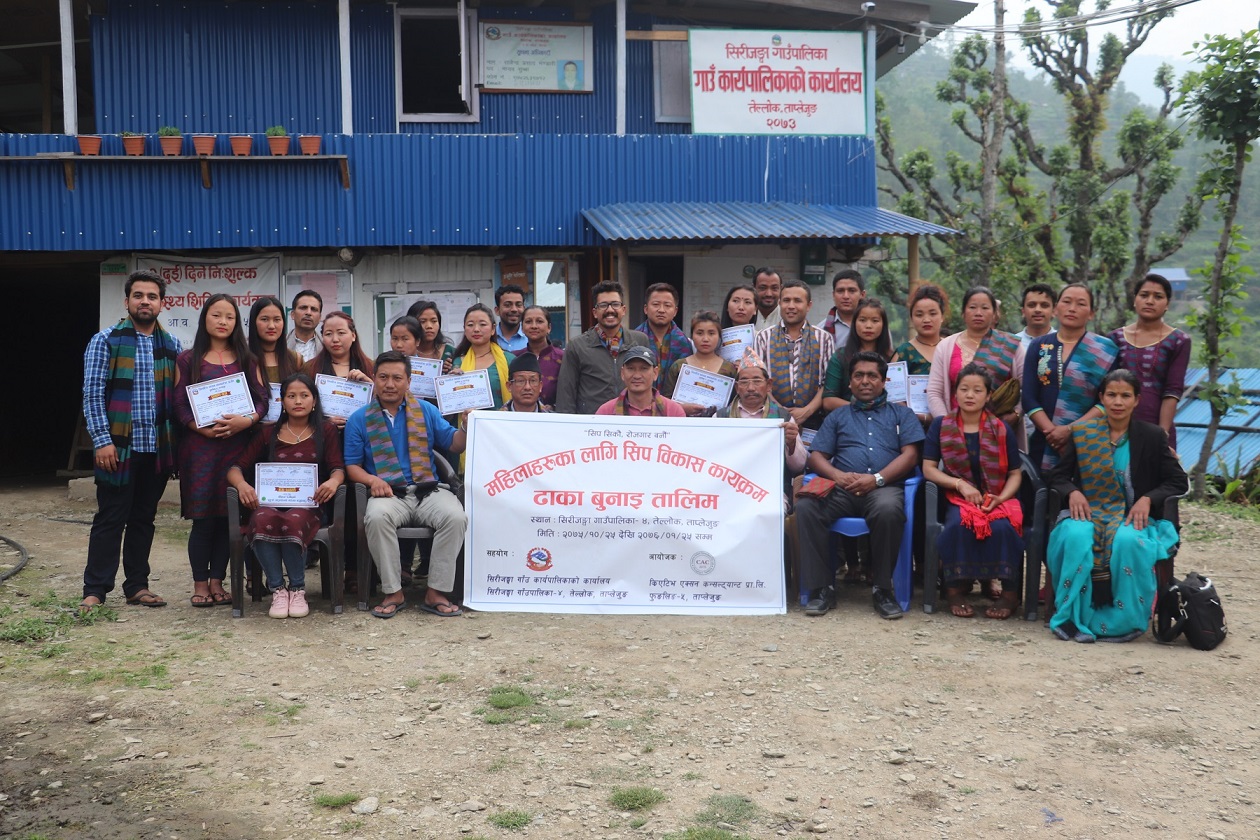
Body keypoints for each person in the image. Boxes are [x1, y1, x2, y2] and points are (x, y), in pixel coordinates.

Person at [1045, 369, 1187, 642]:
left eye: (1125, 396)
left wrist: (1148, 499)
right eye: (1111, 395)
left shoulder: (1152, 436)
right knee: (1076, 536)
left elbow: (1177, 481)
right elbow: (1057, 476)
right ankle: (1071, 617)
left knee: (1127, 541)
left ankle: (1123, 622)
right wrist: (1072, 492)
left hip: (1131, 517)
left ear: (1137, 400)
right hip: (1088, 513)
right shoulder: (1083, 433)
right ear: (1101, 398)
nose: (1118, 402)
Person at [79, 270, 182, 612]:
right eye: (138, 296)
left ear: (162, 304)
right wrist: (102, 440)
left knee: (143, 519)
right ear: (127, 302)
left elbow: (179, 399)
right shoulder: (105, 341)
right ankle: (95, 590)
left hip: (156, 449)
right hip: (118, 448)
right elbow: (92, 395)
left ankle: (137, 586)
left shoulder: (172, 346)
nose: (145, 302)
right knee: (110, 518)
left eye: (152, 296)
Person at [796, 352, 925, 619]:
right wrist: (836, 476)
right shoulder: (838, 416)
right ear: (850, 382)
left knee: (889, 510)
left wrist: (877, 479)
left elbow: (911, 456)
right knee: (807, 507)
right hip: (841, 489)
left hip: (883, 488)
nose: (865, 381)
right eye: (858, 375)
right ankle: (822, 588)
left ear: (884, 381)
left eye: (872, 376)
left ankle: (882, 589)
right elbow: (816, 456)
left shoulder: (902, 414)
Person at [345, 352, 468, 619]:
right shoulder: (359, 418)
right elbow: (352, 466)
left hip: (427, 491)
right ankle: (393, 592)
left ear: (409, 381)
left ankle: (436, 591)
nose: (390, 384)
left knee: (456, 517)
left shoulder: (426, 410)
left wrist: (466, 427)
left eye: (397, 378)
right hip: (388, 493)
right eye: (383, 377)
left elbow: (454, 444)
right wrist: (373, 480)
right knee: (376, 518)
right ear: (374, 379)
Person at [174, 294, 269, 607]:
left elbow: (262, 401)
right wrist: (199, 427)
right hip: (199, 450)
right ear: (205, 318)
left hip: (236, 448)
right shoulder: (188, 359)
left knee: (229, 517)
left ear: (236, 322)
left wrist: (247, 421)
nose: (223, 322)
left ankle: (218, 581)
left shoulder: (247, 359)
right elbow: (178, 404)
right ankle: (200, 584)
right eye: (216, 315)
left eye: (229, 316)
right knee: (203, 519)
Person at [227, 373, 344, 619]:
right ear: (282, 401)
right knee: (260, 519)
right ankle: (278, 589)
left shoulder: (326, 430)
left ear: (314, 400)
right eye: (291, 396)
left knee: (292, 520)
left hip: (309, 505)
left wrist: (333, 481)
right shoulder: (268, 432)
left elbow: (337, 468)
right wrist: (242, 486)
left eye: (304, 395)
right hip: (271, 504)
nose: (298, 401)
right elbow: (236, 468)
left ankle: (297, 589)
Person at [922, 363, 1025, 619]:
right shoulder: (941, 425)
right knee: (958, 525)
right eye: (964, 389)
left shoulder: (1000, 428)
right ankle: (954, 590)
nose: (970, 395)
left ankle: (1010, 595)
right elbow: (928, 468)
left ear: (988, 395)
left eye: (977, 390)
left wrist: (1001, 498)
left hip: (996, 496)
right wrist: (959, 484)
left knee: (1004, 528)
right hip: (957, 498)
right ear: (955, 392)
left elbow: (1015, 473)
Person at [1022, 283, 1119, 471]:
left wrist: (1069, 431)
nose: (1072, 308)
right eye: (1066, 302)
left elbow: (1106, 401)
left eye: (1081, 304)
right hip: (1043, 440)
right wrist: (1052, 434)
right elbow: (1028, 398)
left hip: (1087, 442)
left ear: (1091, 313)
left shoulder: (1105, 350)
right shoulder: (1039, 346)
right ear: (1056, 308)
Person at [1108, 273, 1191, 451]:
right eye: (1144, 295)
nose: (1150, 301)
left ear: (1167, 304)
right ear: (1135, 300)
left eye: (1158, 297)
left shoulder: (1179, 341)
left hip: (1156, 426)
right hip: (1116, 427)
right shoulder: (1115, 338)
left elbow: (1172, 390)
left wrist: (1162, 434)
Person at [716, 349, 807, 509]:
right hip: (727, 489)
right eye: (744, 382)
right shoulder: (720, 418)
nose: (751, 388)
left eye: (757, 381)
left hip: (770, 490)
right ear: (737, 387)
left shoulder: (783, 418)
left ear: (768, 385)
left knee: (772, 509)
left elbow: (799, 467)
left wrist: (791, 443)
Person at [927, 287, 1025, 420]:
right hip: (955, 426)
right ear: (963, 313)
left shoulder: (1010, 344)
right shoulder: (945, 346)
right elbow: (934, 392)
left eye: (985, 308)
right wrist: (946, 423)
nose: (978, 313)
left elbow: (1028, 389)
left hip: (1000, 426)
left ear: (994, 313)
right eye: (972, 307)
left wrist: (1015, 414)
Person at [555, 281, 650, 414]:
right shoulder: (577, 346)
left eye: (615, 304)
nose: (610, 310)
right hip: (593, 421)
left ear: (623, 310)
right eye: (603, 305)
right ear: (595, 312)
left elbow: (649, 384)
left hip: (631, 419)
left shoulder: (639, 341)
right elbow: (566, 394)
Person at [754, 280, 835, 429]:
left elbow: (828, 383)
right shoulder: (763, 337)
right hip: (772, 418)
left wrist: (806, 411)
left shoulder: (824, 338)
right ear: (779, 303)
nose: (791, 306)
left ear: (808, 305)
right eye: (786, 300)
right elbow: (759, 380)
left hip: (813, 419)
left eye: (797, 301)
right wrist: (780, 411)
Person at [822, 297, 894, 410]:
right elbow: (828, 400)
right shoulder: (840, 356)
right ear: (854, 323)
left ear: (883, 325)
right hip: (848, 417)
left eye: (875, 321)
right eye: (862, 320)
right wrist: (861, 408)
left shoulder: (893, 357)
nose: (868, 326)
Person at [304, 310, 374, 424]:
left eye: (341, 333)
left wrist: (371, 386)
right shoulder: (309, 368)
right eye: (328, 334)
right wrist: (324, 423)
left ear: (353, 336)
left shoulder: (371, 367)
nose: (335, 339)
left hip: (361, 432)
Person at [663, 311, 737, 416]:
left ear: (719, 336)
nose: (705, 339)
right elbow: (665, 402)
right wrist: (681, 408)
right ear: (692, 336)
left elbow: (735, 405)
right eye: (699, 333)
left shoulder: (729, 369)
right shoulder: (678, 366)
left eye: (711, 333)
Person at [452, 303, 514, 409]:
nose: (476, 329)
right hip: (468, 419)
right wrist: (452, 383)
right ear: (465, 330)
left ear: (493, 329)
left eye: (482, 324)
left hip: (502, 419)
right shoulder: (458, 363)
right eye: (470, 325)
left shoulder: (509, 360)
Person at [595, 346, 687, 417]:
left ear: (655, 373)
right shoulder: (605, 412)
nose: (637, 376)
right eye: (631, 369)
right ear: (622, 373)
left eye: (644, 369)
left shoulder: (674, 412)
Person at [634, 283, 693, 391]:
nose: (661, 310)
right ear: (646, 309)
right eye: (656, 304)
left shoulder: (683, 342)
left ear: (675, 311)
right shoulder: (634, 339)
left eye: (667, 305)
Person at [248, 296, 302, 394]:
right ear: (253, 322)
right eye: (264, 319)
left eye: (277, 320)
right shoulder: (242, 359)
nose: (271, 326)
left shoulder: (296, 359)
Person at [893, 285, 949, 376]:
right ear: (911, 318)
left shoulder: (952, 348)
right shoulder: (904, 352)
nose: (926, 320)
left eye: (932, 314)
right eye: (919, 315)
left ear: (942, 316)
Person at [519, 305, 564, 408]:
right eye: (528, 322)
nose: (534, 326)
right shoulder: (515, 357)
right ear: (522, 328)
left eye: (539, 321)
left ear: (549, 328)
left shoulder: (563, 358)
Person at [405, 300, 456, 374]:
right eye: (422, 321)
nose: (429, 326)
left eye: (434, 321)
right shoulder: (404, 352)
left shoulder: (451, 352)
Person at [821, 269, 865, 347]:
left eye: (852, 291)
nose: (846, 296)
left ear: (862, 294)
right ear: (833, 295)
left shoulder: (875, 327)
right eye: (840, 291)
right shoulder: (821, 330)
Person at [287, 290, 323, 362]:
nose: (308, 313)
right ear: (293, 314)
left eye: (314, 309)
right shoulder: (280, 346)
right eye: (303, 308)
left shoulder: (327, 348)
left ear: (319, 318)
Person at [493, 284, 528, 353]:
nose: (514, 309)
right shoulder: (488, 337)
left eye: (518, 305)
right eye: (507, 305)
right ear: (497, 310)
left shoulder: (531, 337)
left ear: (524, 309)